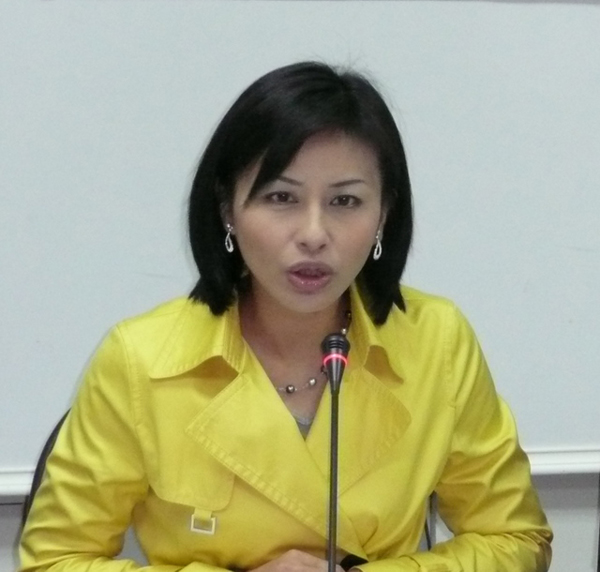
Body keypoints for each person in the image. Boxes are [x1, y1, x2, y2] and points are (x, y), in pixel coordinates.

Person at [19, 61, 552, 572]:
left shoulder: (437, 341)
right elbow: (54, 560)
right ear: (227, 209)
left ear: (384, 213)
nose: (314, 234)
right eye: (280, 197)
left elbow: (517, 540)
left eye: (345, 202)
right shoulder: (141, 359)